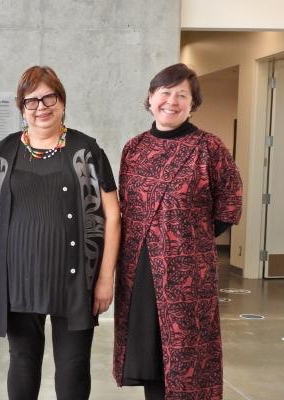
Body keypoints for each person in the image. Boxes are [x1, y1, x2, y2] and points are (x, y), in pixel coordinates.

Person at [0, 66, 121, 400]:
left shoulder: (87, 151)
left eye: (49, 97)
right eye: (31, 101)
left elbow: (113, 217)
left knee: (72, 368)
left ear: (62, 100)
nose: (41, 107)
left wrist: (105, 279)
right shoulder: (4, 151)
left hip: (75, 280)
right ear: (21, 108)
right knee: (23, 362)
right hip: (17, 278)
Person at [113, 63, 243, 400]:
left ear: (192, 102)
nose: (172, 101)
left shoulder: (209, 147)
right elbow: (125, 204)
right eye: (165, 93)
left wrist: (189, 238)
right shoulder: (134, 148)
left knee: (187, 353)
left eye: (182, 95)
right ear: (151, 97)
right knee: (150, 351)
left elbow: (230, 202)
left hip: (187, 269)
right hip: (139, 266)